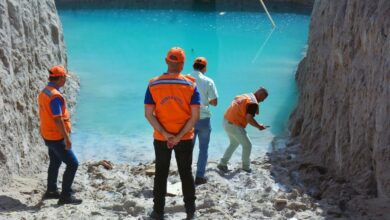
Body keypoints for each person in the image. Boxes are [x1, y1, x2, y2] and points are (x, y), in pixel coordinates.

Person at [144, 47, 200, 220]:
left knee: (161, 173)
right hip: (184, 137)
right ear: (182, 65)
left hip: (161, 138)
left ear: (166, 61)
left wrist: (165, 133)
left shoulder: (153, 84)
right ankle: (190, 211)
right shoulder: (191, 85)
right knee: (186, 173)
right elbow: (195, 117)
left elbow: (148, 114)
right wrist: (178, 136)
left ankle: (158, 212)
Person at [38, 65, 82, 205]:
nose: (66, 81)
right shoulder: (55, 96)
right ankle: (65, 196)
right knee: (73, 164)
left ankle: (51, 190)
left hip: (47, 134)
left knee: (55, 161)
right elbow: (58, 119)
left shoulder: (45, 91)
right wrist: (67, 138)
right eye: (65, 78)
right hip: (57, 137)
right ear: (60, 78)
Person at [217, 87, 268, 173]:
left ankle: (222, 164)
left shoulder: (245, 96)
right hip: (234, 125)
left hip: (225, 121)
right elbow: (249, 119)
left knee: (234, 143)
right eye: (263, 98)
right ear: (260, 94)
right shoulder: (253, 103)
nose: (262, 101)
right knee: (248, 145)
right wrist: (259, 126)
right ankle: (246, 167)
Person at [190, 57, 218, 185]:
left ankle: (187, 174)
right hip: (204, 119)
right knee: (203, 148)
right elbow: (215, 102)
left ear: (193, 66)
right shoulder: (208, 81)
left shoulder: (185, 79)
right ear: (204, 68)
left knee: (187, 148)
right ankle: (200, 176)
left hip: (189, 119)